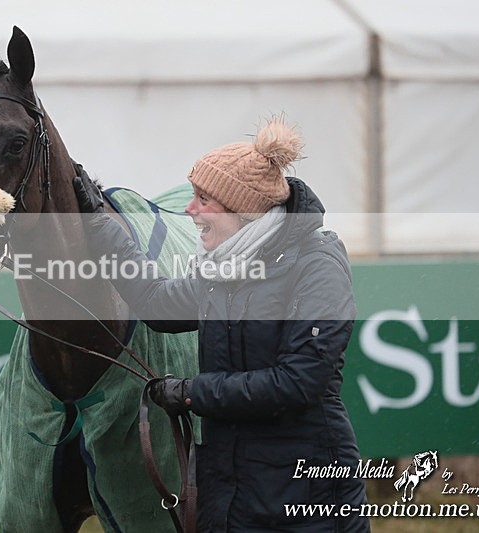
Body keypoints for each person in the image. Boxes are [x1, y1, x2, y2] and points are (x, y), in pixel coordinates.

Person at [72, 116, 370, 532]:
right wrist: (100, 225)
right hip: (229, 492)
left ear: (242, 207)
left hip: (307, 494)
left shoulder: (316, 262)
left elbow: (301, 381)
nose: (190, 210)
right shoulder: (224, 268)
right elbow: (160, 306)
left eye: (203, 199)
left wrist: (193, 393)